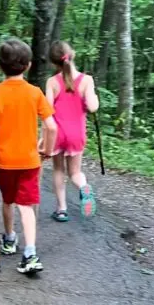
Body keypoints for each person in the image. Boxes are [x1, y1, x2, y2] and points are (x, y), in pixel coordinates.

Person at [0, 38, 58, 275]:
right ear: (29, 65)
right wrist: (48, 150)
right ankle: (30, 252)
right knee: (27, 205)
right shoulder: (34, 93)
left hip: (5, 161)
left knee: (9, 201)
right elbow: (51, 126)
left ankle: (10, 239)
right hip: (30, 160)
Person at [46, 40, 100, 221]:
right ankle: (84, 188)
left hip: (57, 133)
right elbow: (93, 107)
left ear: (54, 63)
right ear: (73, 54)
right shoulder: (87, 80)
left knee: (58, 170)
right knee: (75, 172)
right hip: (77, 133)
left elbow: (46, 110)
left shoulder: (52, 82)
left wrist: (42, 138)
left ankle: (61, 210)